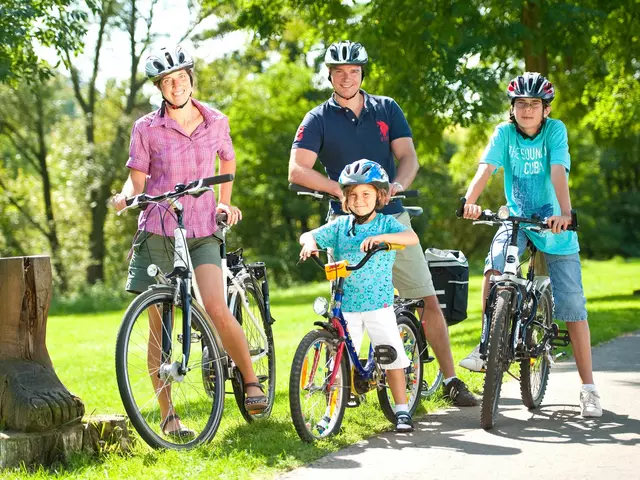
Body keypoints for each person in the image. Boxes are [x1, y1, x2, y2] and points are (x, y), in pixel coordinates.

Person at [289, 40, 478, 406]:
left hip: (391, 219)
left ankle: (452, 380)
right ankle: (349, 384)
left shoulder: (386, 108)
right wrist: (339, 190)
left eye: (354, 72)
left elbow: (408, 157)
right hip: (344, 225)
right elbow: (297, 169)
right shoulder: (317, 118)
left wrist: (397, 185)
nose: (347, 78)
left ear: (362, 74)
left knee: (426, 300)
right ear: (329, 75)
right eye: (339, 72)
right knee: (344, 312)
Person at [112, 44, 268, 438]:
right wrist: (124, 195)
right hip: (159, 227)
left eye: (180, 77)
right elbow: (138, 178)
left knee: (215, 306)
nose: (175, 85)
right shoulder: (146, 128)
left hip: (200, 227)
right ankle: (168, 415)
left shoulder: (215, 120)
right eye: (167, 80)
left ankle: (251, 379)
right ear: (160, 88)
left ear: (190, 79)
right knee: (158, 324)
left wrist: (225, 204)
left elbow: (227, 161)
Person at [458, 72, 602, 417]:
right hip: (517, 219)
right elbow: (486, 168)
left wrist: (565, 213)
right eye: (521, 103)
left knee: (572, 304)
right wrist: (469, 201)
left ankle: (588, 388)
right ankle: (485, 345)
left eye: (533, 104)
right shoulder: (504, 134)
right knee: (494, 270)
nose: (526, 110)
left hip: (554, 223)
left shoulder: (555, 131)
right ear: (513, 108)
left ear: (545, 109)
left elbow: (557, 172)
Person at [299, 160, 420, 431]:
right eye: (352, 194)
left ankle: (401, 409)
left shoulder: (385, 223)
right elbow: (311, 235)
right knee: (338, 359)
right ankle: (332, 413)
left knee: (390, 354)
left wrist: (381, 239)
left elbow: (411, 237)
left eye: (366, 194)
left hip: (378, 302)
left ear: (379, 196)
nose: (359, 200)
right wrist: (309, 243)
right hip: (346, 304)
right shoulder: (341, 227)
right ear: (345, 197)